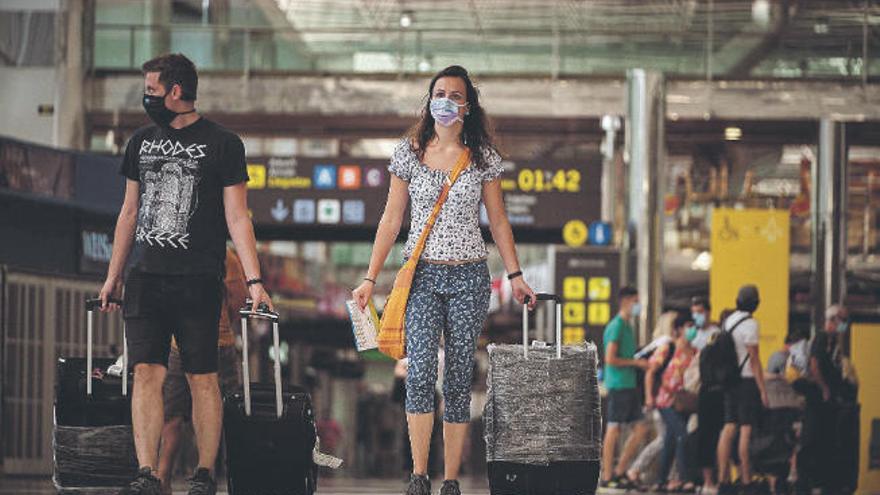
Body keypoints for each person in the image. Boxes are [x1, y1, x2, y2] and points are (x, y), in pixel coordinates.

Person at [350, 65, 536, 495]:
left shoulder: (482, 157)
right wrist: (369, 278)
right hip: (421, 276)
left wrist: (516, 275)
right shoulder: (409, 152)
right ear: (429, 99)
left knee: (456, 377)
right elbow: (391, 219)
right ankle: (419, 475)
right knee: (417, 375)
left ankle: (449, 479)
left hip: (471, 276)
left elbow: (499, 221)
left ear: (467, 106)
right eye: (440, 93)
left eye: (455, 95)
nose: (446, 101)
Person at [98, 53, 272, 495]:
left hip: (198, 279)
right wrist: (113, 275)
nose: (147, 98)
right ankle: (146, 473)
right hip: (147, 278)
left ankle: (204, 473)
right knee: (146, 373)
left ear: (176, 91)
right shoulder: (140, 142)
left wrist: (254, 282)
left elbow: (238, 218)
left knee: (202, 377)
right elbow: (129, 211)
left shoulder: (223, 143)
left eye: (152, 90)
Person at [156, 247, 248, 495]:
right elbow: (239, 298)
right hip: (216, 341)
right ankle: (202, 474)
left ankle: (164, 476)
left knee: (173, 414)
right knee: (217, 411)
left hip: (183, 342)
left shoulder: (174, 248)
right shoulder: (224, 255)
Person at [716, 285, 769, 495]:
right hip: (746, 382)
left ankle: (723, 480)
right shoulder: (751, 324)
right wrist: (762, 389)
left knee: (728, 428)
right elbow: (754, 359)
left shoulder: (728, 321)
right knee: (745, 430)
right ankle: (747, 480)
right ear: (755, 303)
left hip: (729, 381)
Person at [600, 286, 651, 490]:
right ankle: (607, 474)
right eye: (635, 301)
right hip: (618, 385)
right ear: (625, 301)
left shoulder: (628, 326)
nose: (637, 305)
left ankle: (620, 470)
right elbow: (610, 358)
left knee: (640, 429)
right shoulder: (617, 326)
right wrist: (635, 363)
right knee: (614, 429)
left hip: (629, 385)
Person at [647, 313, 697, 493]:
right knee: (682, 435)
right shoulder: (667, 348)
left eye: (693, 325)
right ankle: (685, 478)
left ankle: (661, 481)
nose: (692, 329)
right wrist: (648, 397)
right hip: (665, 401)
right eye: (688, 326)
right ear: (678, 329)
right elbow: (651, 372)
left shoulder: (694, 351)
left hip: (684, 402)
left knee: (670, 440)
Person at [690, 296, 725, 493]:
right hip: (699, 391)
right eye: (694, 312)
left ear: (708, 312)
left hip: (714, 391)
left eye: (699, 312)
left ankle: (718, 478)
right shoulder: (692, 335)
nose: (697, 316)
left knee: (715, 435)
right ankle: (706, 481)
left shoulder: (716, 334)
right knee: (703, 435)